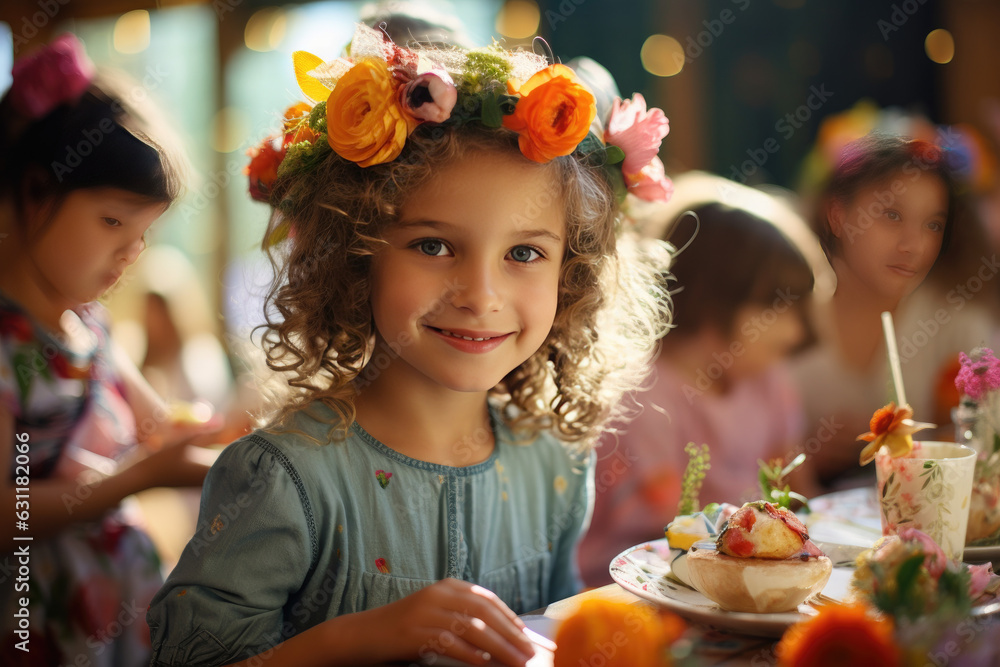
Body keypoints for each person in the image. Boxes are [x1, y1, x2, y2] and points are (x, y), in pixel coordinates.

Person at [147, 23, 671, 667]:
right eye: (433, 245)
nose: (480, 295)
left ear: (571, 278)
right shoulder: (282, 479)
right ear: (356, 256)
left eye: (525, 253)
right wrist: (358, 637)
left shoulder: (555, 464)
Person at [0, 34, 220, 665]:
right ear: (37, 192)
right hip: (38, 613)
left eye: (145, 232)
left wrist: (235, 440)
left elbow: (160, 426)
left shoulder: (90, 328)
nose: (133, 253)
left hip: (120, 605)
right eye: (113, 222)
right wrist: (144, 475)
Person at [577, 173, 827, 586]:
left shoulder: (768, 380)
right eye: (776, 304)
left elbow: (801, 497)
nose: (795, 331)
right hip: (646, 587)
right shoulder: (646, 402)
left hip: (741, 583)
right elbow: (664, 545)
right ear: (713, 300)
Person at [790, 132, 991, 489]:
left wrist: (907, 447)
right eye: (892, 215)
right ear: (836, 214)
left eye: (933, 225)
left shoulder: (959, 326)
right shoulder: (783, 323)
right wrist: (805, 457)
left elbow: (990, 434)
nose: (913, 245)